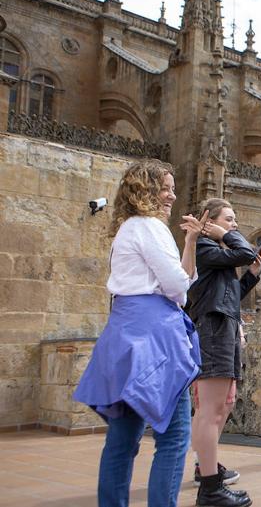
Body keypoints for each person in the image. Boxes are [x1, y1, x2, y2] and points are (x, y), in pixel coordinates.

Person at [73, 159, 206, 507]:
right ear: (145, 190)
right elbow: (179, 287)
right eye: (166, 188)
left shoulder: (127, 230)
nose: (172, 196)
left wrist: (190, 242)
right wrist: (179, 283)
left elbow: (181, 280)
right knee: (175, 437)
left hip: (124, 332)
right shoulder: (150, 226)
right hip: (155, 335)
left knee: (122, 438)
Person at [187, 198, 261, 507]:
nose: (235, 225)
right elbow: (246, 251)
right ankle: (209, 486)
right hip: (213, 328)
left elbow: (230, 296)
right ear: (210, 220)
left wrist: (252, 276)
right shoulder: (206, 248)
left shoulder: (217, 254)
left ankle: (206, 467)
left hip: (225, 325)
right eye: (229, 219)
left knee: (222, 405)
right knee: (210, 408)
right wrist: (222, 233)